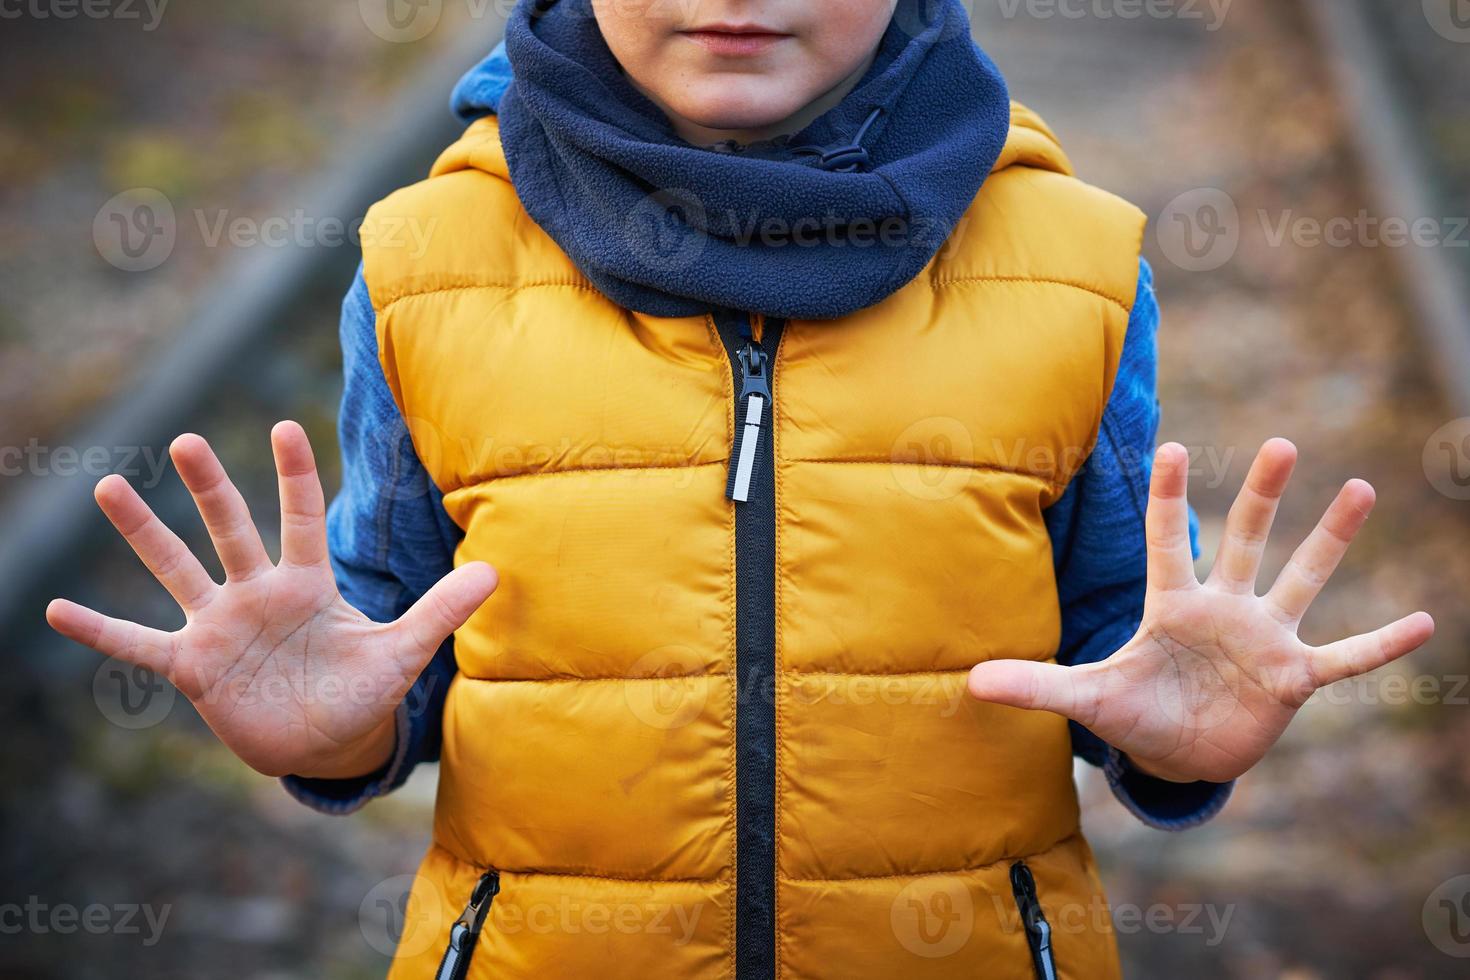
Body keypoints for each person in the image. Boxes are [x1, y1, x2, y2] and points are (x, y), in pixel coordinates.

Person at [46, 1, 1434, 976]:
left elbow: (1126, 643)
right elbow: (390, 648)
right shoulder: (430, 259)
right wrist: (328, 731)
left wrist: (1174, 744)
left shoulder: (1067, 264)